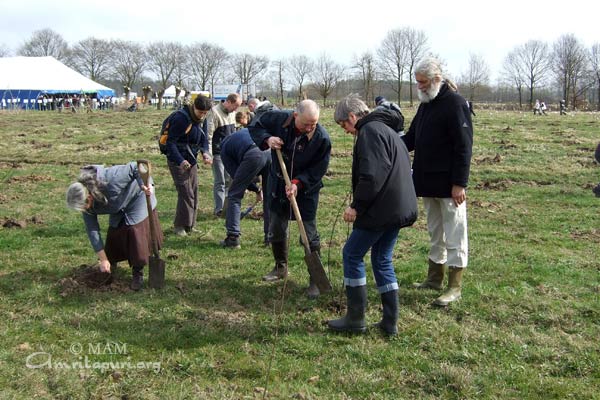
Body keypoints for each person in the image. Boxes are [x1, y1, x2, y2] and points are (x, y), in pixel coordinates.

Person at [328, 94, 417, 335]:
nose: (346, 130)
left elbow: (372, 176)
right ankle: (390, 323)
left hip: (381, 209)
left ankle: (355, 319)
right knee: (382, 259)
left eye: (343, 125)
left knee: (352, 254)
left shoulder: (369, 132)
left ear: (352, 116)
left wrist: (356, 206)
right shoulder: (387, 130)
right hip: (398, 207)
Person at [402, 57, 473, 307]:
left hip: (449, 185)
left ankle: (455, 286)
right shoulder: (426, 105)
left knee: (455, 233)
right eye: (417, 83)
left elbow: (464, 147)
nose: (419, 87)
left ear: (436, 80)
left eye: (422, 83)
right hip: (427, 182)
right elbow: (411, 138)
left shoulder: (455, 104)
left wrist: (459, 183)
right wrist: (388, 143)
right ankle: (434, 278)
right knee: (435, 232)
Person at [249, 99, 331, 298]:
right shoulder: (278, 119)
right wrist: (268, 139)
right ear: (295, 116)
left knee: (308, 234)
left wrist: (298, 183)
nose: (310, 128)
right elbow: (255, 126)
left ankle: (315, 280)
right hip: (278, 183)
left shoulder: (321, 138)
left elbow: (318, 170)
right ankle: (280, 267)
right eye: (305, 124)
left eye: (314, 124)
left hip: (306, 190)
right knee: (276, 226)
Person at [66, 162, 163, 291]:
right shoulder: (87, 206)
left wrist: (145, 185)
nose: (83, 210)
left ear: (89, 197)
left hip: (138, 196)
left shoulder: (111, 180)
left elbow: (135, 166)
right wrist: (103, 259)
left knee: (135, 232)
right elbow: (92, 230)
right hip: (117, 205)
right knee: (115, 232)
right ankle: (110, 265)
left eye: (83, 206)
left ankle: (137, 272)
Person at [164, 94, 213, 236]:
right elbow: (170, 143)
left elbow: (203, 138)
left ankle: (191, 224)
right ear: (194, 107)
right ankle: (179, 226)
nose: (203, 116)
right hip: (177, 159)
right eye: (200, 112)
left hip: (191, 158)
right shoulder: (181, 118)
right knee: (186, 192)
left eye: (205, 113)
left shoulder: (201, 119)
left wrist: (205, 152)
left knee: (194, 191)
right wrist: (180, 161)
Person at [219, 128, 271, 248]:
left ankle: (232, 238)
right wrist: (258, 190)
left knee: (234, 194)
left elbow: (237, 176)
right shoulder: (243, 133)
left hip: (254, 154)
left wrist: (255, 189)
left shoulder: (224, 150)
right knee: (269, 197)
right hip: (269, 152)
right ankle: (271, 238)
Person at [207, 93, 242, 217]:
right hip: (218, 153)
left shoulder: (231, 113)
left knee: (229, 181)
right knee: (220, 181)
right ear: (229, 102)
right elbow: (209, 135)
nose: (236, 110)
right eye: (235, 106)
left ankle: (227, 208)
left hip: (230, 153)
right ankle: (219, 210)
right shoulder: (214, 113)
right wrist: (208, 154)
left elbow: (234, 133)